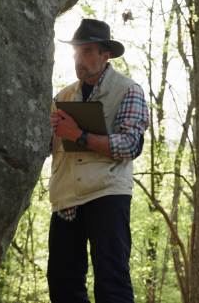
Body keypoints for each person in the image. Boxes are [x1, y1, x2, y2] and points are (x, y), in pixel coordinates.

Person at [48, 18, 149, 303]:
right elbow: (47, 145)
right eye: (77, 51)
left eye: (88, 50)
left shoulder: (128, 90)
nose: (80, 58)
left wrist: (79, 135)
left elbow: (131, 144)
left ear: (105, 55)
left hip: (107, 193)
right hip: (66, 196)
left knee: (112, 282)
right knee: (62, 283)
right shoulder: (63, 95)